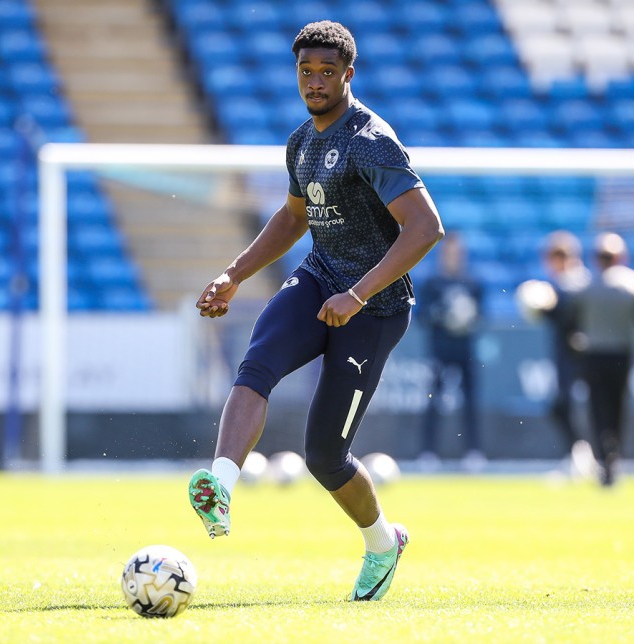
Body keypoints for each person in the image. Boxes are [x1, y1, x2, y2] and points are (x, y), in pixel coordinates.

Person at [187, 21, 444, 601]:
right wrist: (234, 275)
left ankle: (383, 541)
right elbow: (294, 217)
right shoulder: (302, 141)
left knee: (324, 456)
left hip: (374, 308)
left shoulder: (371, 139)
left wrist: (358, 294)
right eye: (307, 71)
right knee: (258, 363)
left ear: (349, 74)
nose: (316, 81)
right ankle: (219, 486)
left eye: (328, 72)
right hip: (317, 280)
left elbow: (426, 228)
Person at [568, 232, 634, 487]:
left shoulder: (586, 286)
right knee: (618, 408)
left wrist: (573, 352)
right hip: (621, 354)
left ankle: (604, 458)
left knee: (598, 410)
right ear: (621, 257)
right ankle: (613, 457)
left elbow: (572, 324)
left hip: (593, 355)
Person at [415, 231, 485, 471]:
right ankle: (428, 452)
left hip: (465, 349)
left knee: (471, 401)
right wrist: (443, 313)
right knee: (434, 401)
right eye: (450, 252)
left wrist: (467, 317)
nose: (454, 257)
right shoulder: (433, 283)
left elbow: (481, 317)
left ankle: (473, 451)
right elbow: (422, 316)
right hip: (440, 350)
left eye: (458, 252)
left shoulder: (473, 283)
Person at [539, 231, 596, 479]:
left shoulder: (574, 283)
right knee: (563, 406)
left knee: (569, 406)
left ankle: (585, 457)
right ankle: (580, 454)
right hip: (570, 353)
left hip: (579, 354)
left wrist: (544, 309)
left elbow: (568, 316)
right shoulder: (573, 282)